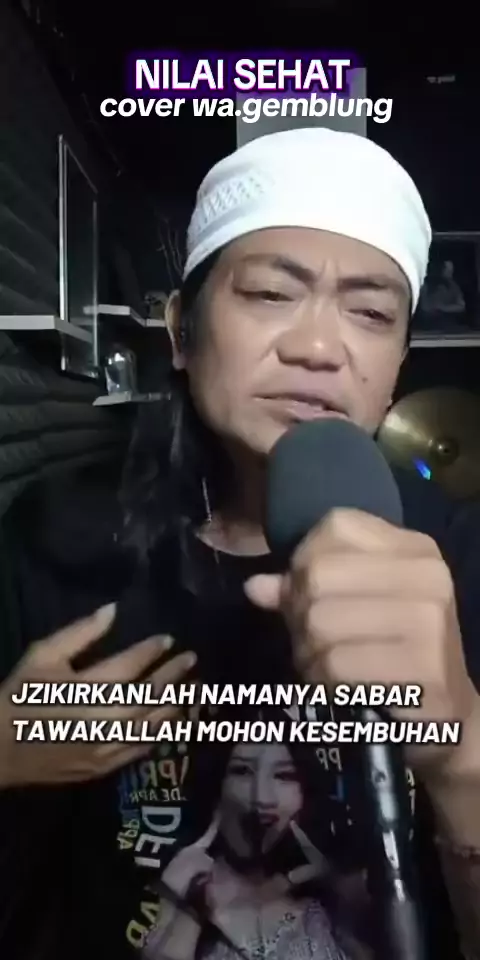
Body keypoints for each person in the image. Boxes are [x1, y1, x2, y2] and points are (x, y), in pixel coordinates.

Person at [1, 127, 480, 960]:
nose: (319, 348)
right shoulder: (55, 537)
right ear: (181, 331)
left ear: (398, 363)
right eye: (269, 293)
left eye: (371, 313)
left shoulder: (461, 558)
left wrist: (461, 746)